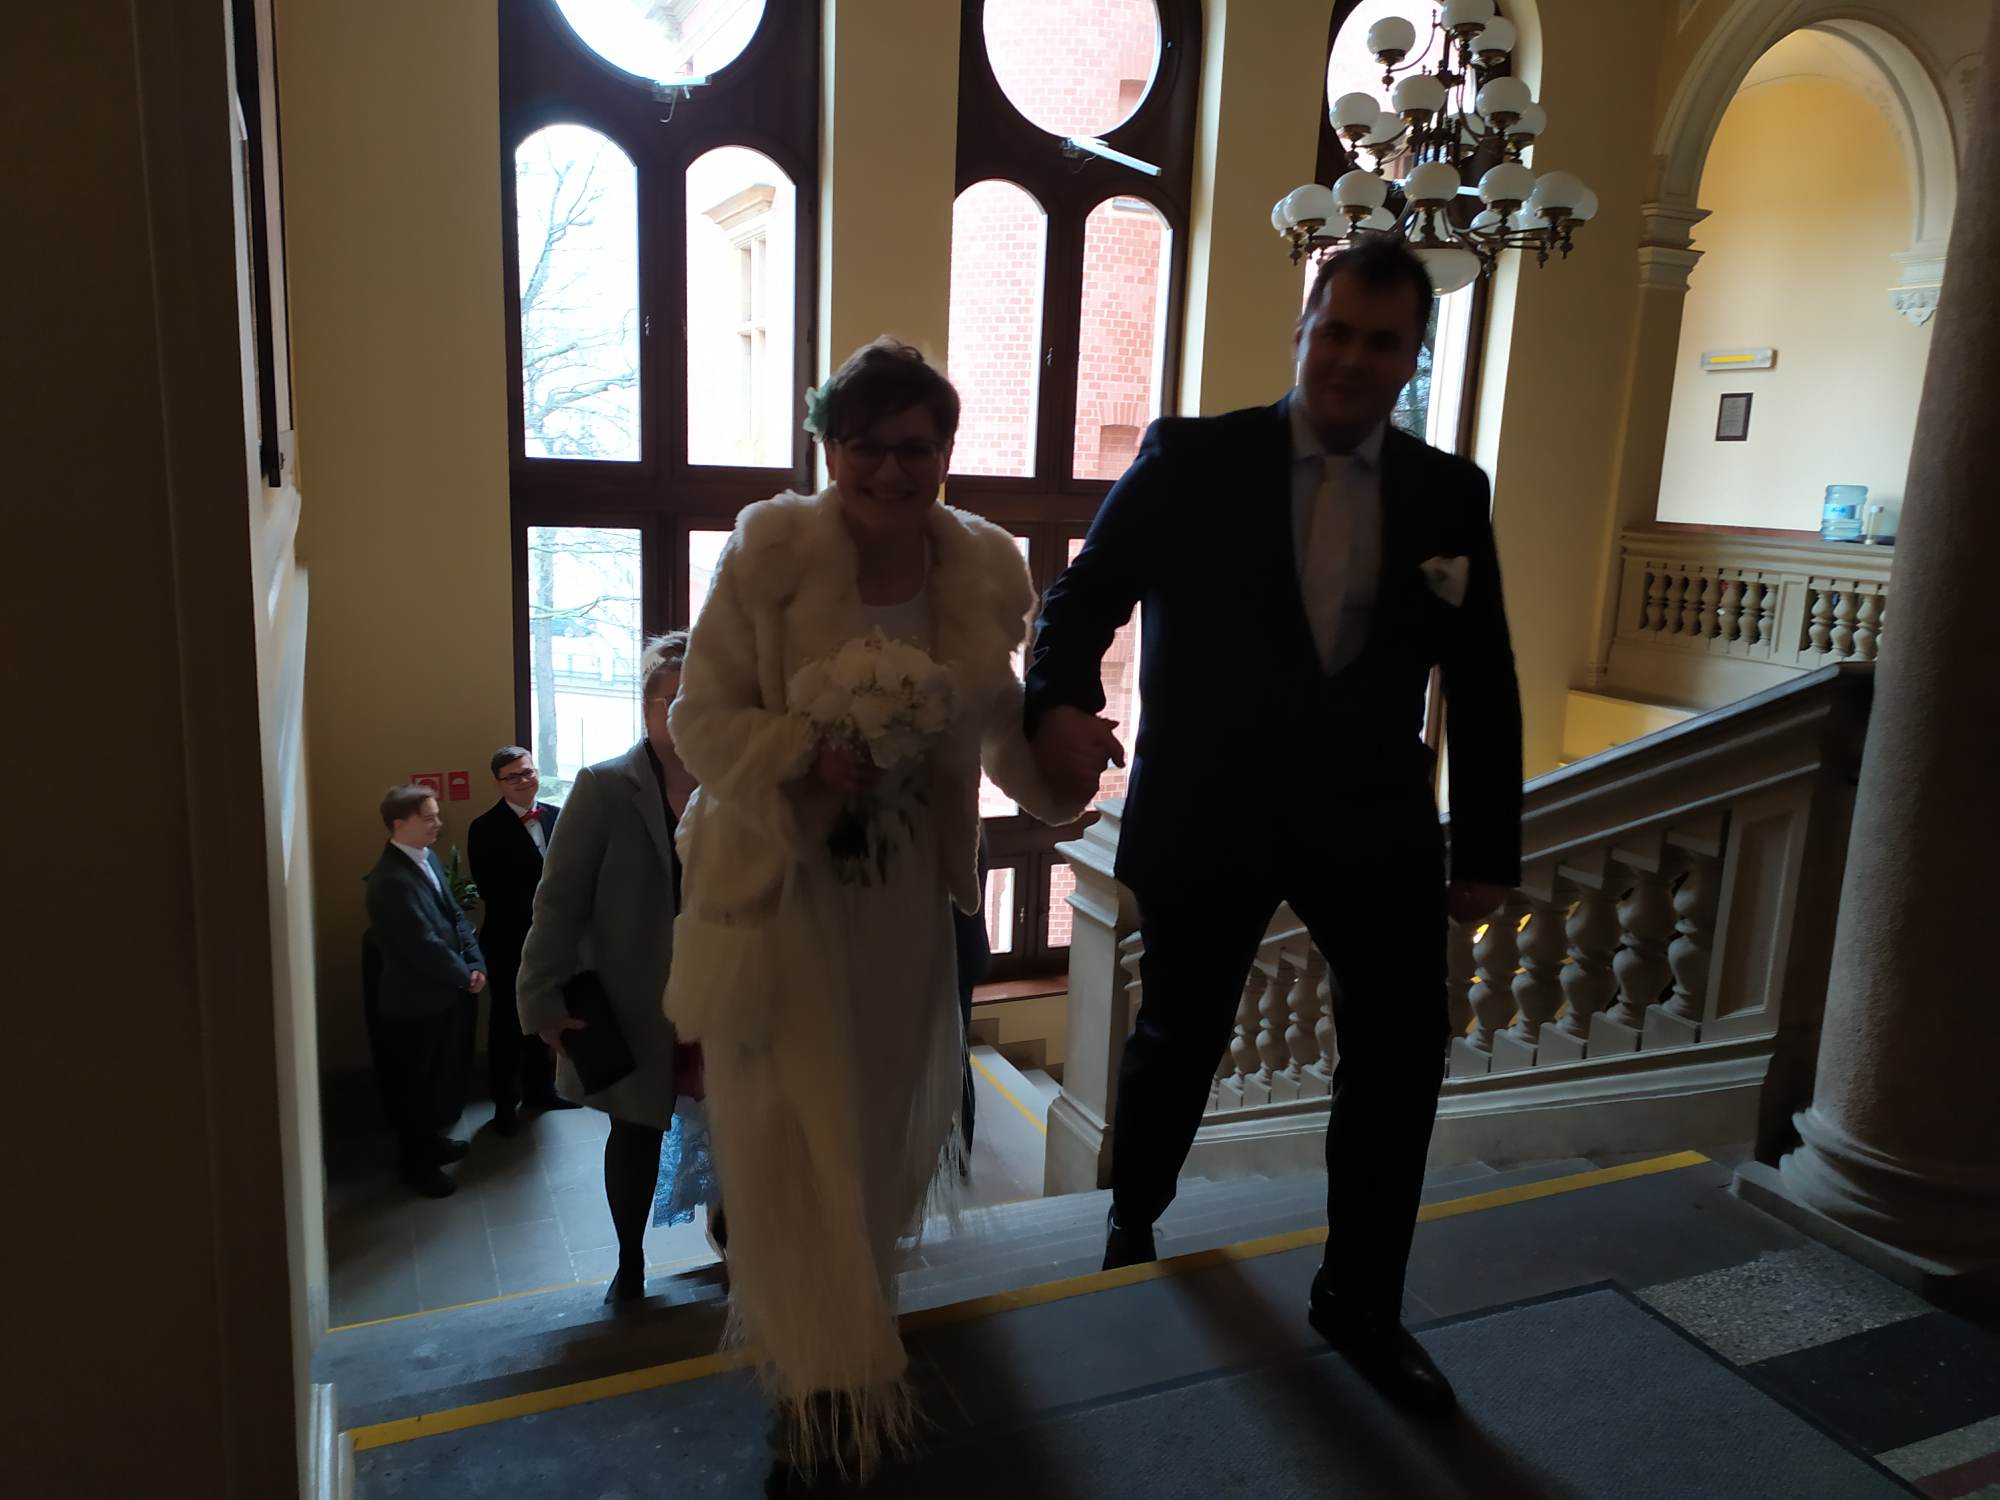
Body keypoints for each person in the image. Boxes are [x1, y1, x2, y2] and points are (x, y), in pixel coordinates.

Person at [1025, 238, 1523, 1420]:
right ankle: (1133, 1214)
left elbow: (1482, 673)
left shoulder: (1448, 493)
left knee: (1400, 1055)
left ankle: (1360, 1302)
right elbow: (1082, 596)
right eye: (1334, 331)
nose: (1351, 358)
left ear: (1410, 358)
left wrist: (1484, 849)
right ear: (1303, 330)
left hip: (1372, 821)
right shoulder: (1190, 458)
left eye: (1381, 342)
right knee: (1179, 1038)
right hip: (1209, 811)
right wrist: (1056, 706)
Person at [664, 339, 1087, 1491]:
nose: (891, 471)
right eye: (865, 446)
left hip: (902, 904)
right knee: (801, 1150)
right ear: (827, 447)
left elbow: (999, 734)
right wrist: (803, 753)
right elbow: (698, 720)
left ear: (945, 450)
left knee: (870, 1159)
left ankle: (842, 1355)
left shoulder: (981, 571)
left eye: (914, 447)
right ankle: (821, 1400)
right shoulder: (769, 556)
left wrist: (1063, 773)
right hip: (784, 893)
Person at [516, 632, 717, 1303]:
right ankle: (629, 1266)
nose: (685, 712)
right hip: (636, 999)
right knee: (635, 1133)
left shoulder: (736, 785)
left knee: (738, 1133)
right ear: (648, 709)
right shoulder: (605, 787)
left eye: (700, 699)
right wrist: (541, 1000)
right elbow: (559, 900)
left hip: (723, 993)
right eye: (672, 700)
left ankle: (741, 1256)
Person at [365, 784, 489, 1198]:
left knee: (434, 1078)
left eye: (437, 815)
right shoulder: (390, 880)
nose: (439, 823)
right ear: (399, 823)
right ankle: (415, 1166)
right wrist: (463, 975)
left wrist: (475, 963)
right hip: (414, 1001)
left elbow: (455, 917)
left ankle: (430, 1144)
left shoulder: (427, 858)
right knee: (414, 1087)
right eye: (429, 817)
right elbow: (420, 943)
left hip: (442, 992)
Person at [466, 747, 575, 1135]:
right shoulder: (484, 827)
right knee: (507, 1022)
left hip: (551, 939)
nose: (523, 781)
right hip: (509, 939)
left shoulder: (557, 816)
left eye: (528, 772)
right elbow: (493, 890)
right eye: (513, 776)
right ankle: (504, 1104)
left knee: (542, 1013)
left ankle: (539, 1090)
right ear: (498, 783)